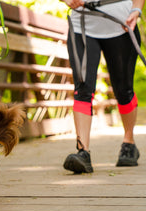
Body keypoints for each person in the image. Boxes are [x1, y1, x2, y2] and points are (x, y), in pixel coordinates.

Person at [62, 0, 144, 173]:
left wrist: (136, 9)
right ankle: (82, 151)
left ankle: (129, 143)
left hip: (120, 25)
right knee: (82, 87)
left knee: (123, 90)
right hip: (82, 25)